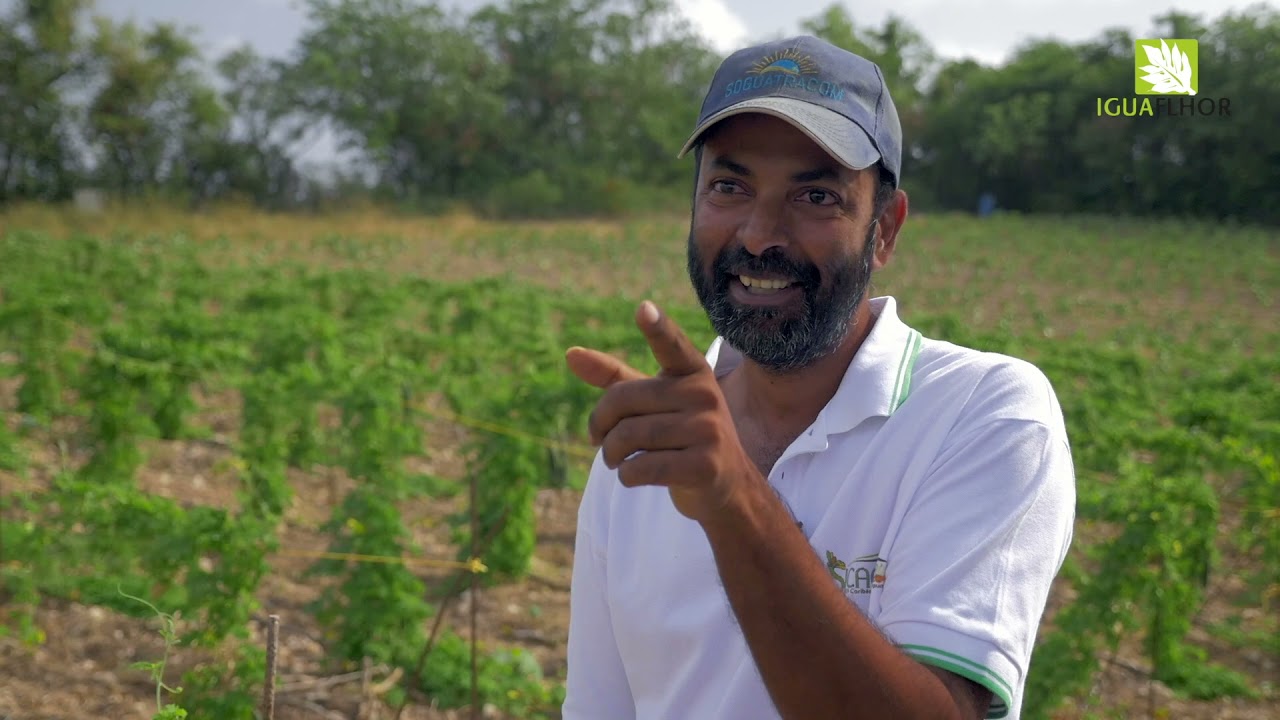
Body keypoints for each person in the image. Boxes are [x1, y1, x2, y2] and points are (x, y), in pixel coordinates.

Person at [561, 34, 1076, 720]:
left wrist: (734, 500)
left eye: (815, 195)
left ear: (885, 230)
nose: (758, 234)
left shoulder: (985, 416)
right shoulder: (655, 440)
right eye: (729, 186)